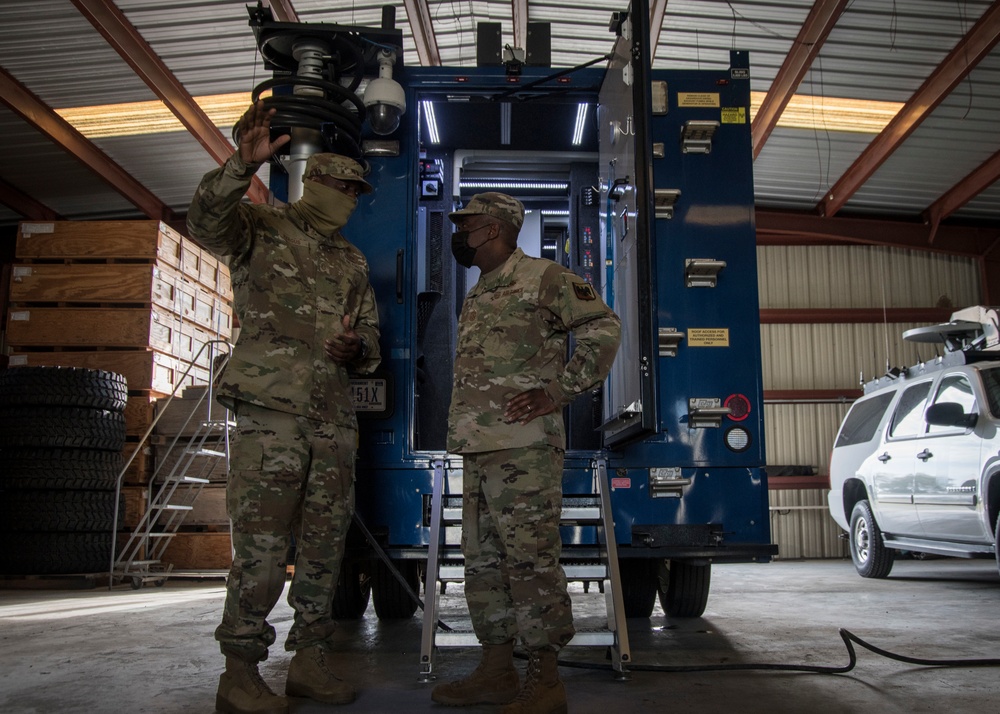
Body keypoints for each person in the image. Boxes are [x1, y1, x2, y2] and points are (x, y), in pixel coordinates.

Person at [187, 100, 381, 714]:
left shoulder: (352, 261)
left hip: (333, 420)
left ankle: (310, 663)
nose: (350, 198)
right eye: (342, 187)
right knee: (264, 551)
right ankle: (239, 672)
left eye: (357, 191)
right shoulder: (259, 228)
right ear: (313, 183)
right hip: (271, 414)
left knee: (325, 550)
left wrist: (357, 347)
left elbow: (372, 337)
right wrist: (236, 167)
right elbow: (206, 221)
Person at [431, 193, 622, 713]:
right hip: (477, 447)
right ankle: (496, 670)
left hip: (524, 449)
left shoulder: (545, 277)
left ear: (492, 229)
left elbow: (603, 328)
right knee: (482, 563)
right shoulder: (481, 290)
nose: (459, 235)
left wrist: (558, 391)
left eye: (465, 225)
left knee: (530, 562)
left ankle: (545, 682)